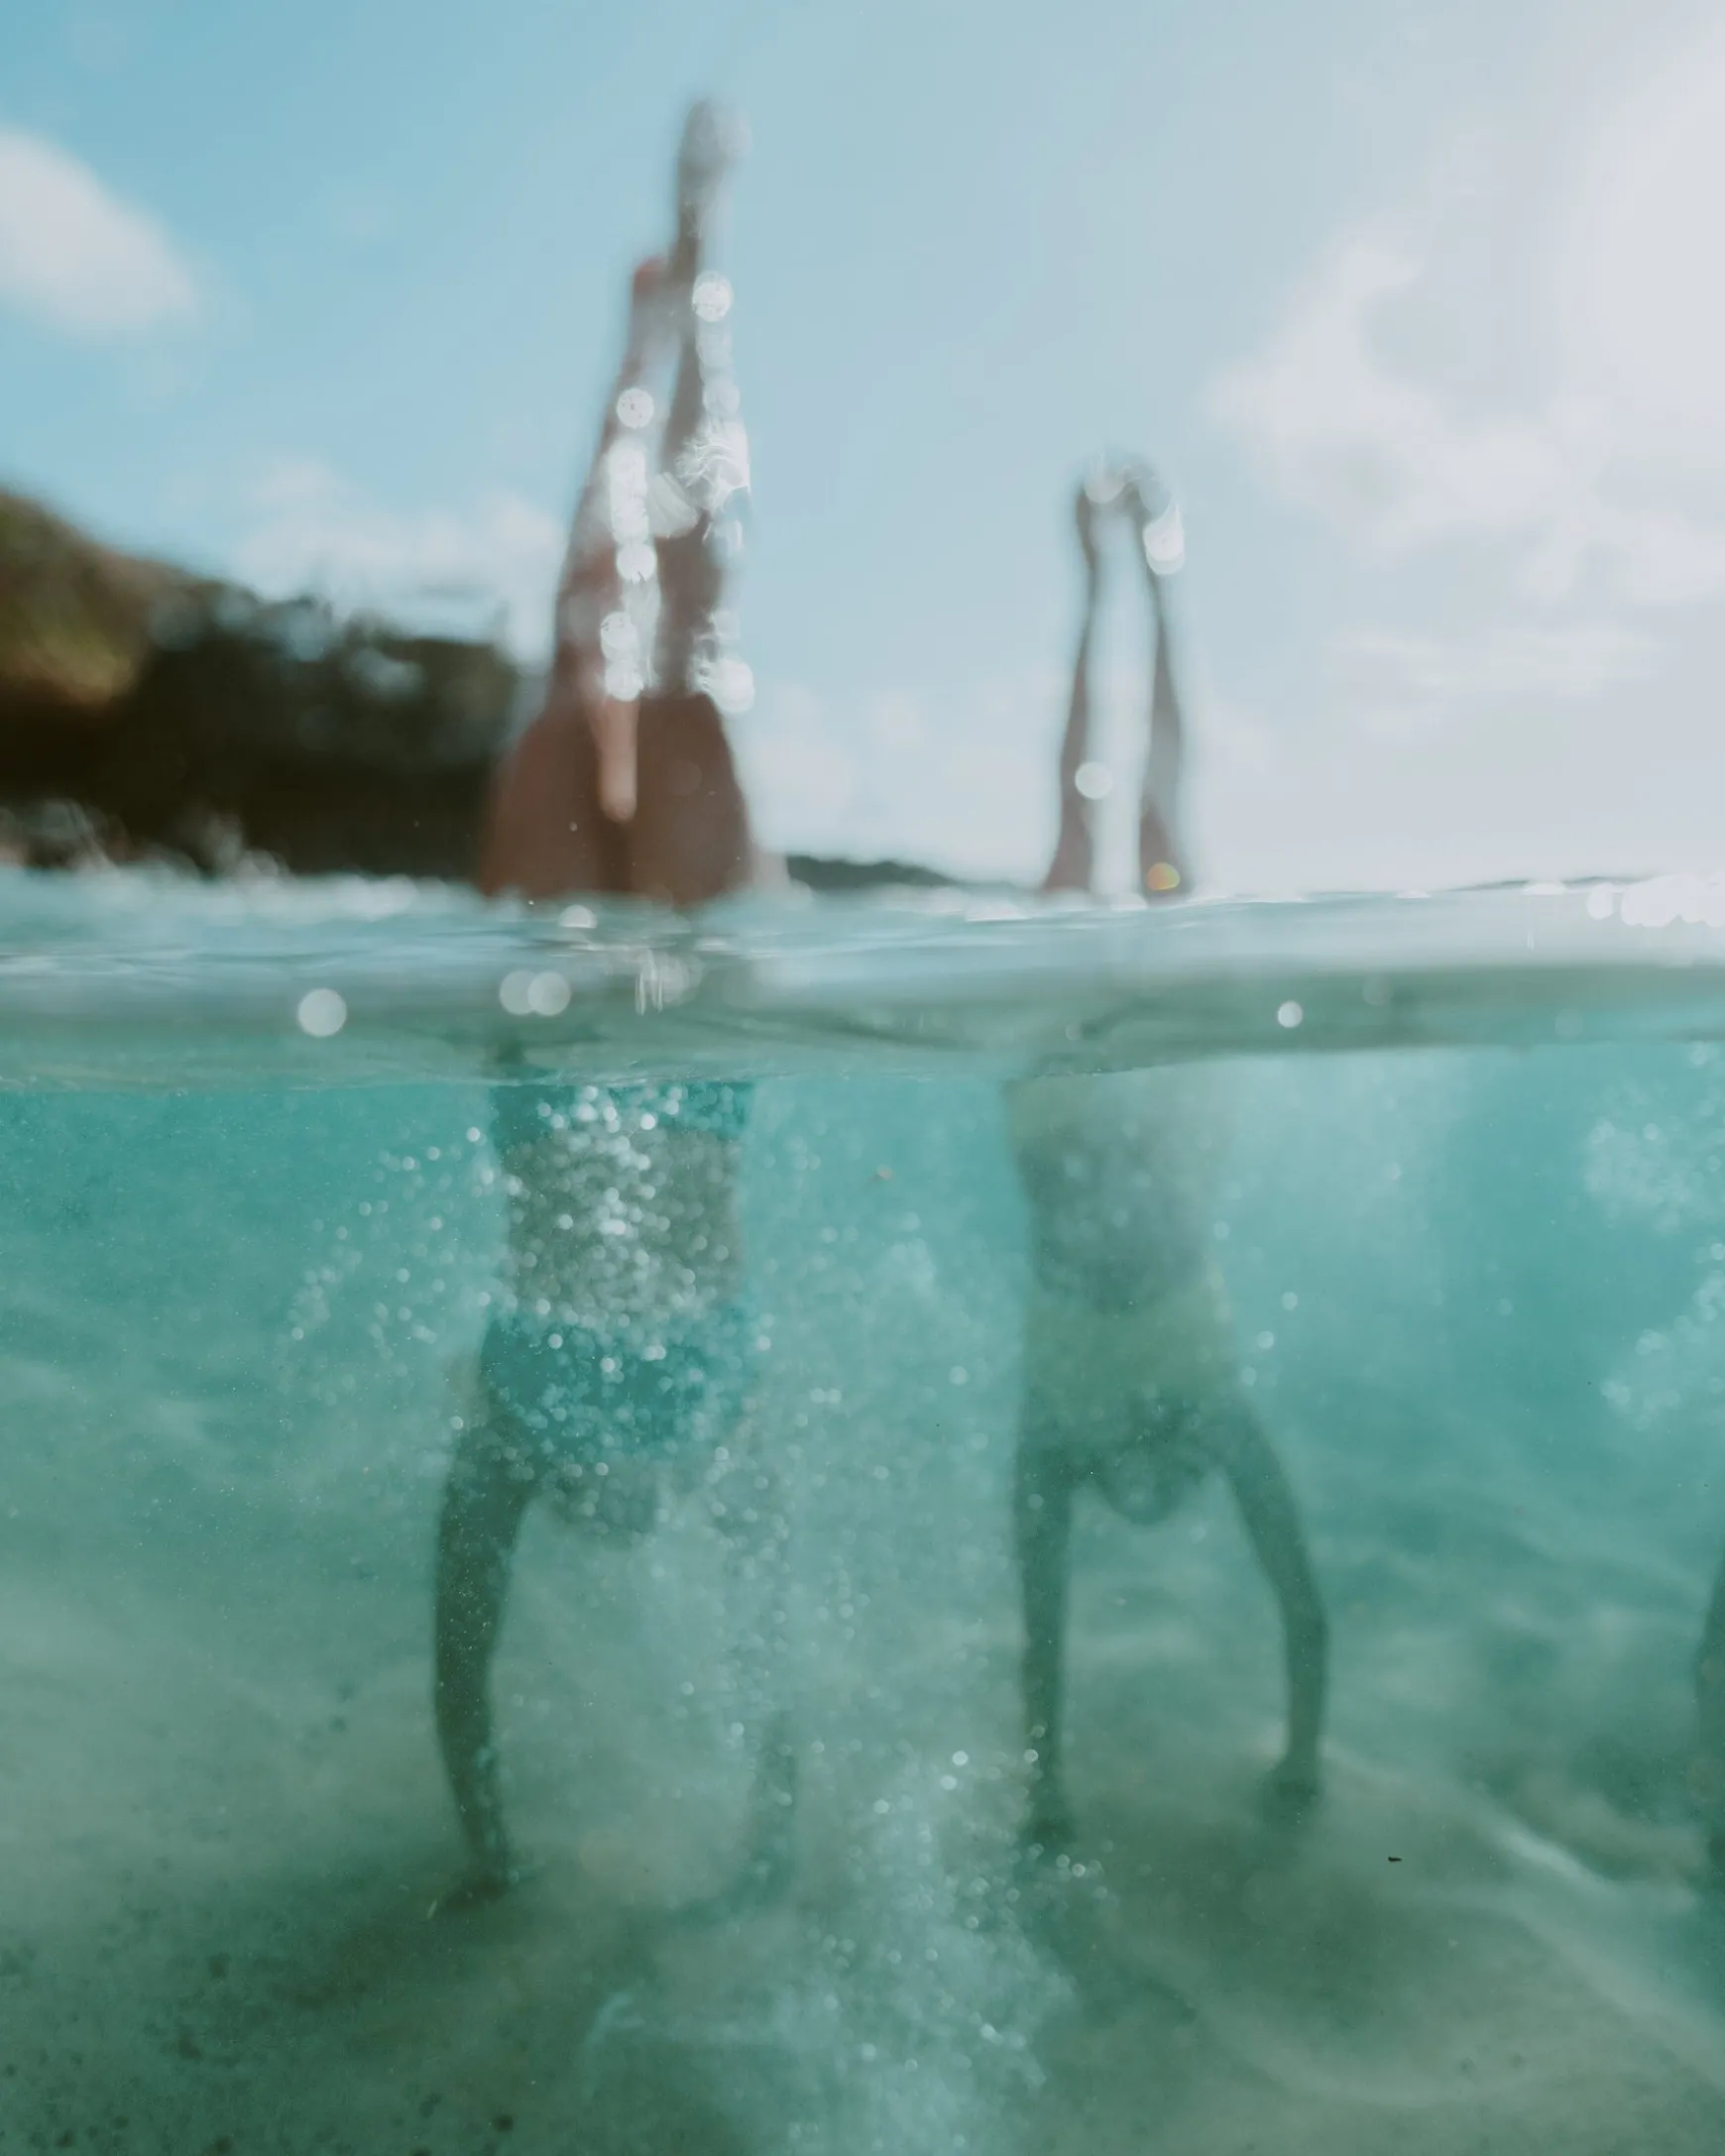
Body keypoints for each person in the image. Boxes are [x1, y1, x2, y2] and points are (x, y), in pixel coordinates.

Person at [434, 101, 790, 1900]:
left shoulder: (509, 1431)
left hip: (564, 998)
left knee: (597, 633)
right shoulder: (710, 1427)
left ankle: (644, 341)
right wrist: (774, 1843)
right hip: (689, 1008)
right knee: (684, 644)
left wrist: (490, 1856)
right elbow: (775, 1655)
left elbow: (461, 1657)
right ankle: (697, 289)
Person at [1007, 463, 1329, 1850]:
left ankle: (1110, 578)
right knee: (1147, 827)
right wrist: (1299, 1765)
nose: (1141, 1495)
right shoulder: (1209, 1409)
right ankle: (1144, 575)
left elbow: (1042, 1639)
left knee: (1092, 827)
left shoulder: (1066, 1436)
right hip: (1142, 1127)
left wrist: (1046, 1794)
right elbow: (1302, 1605)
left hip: (1063, 1122)